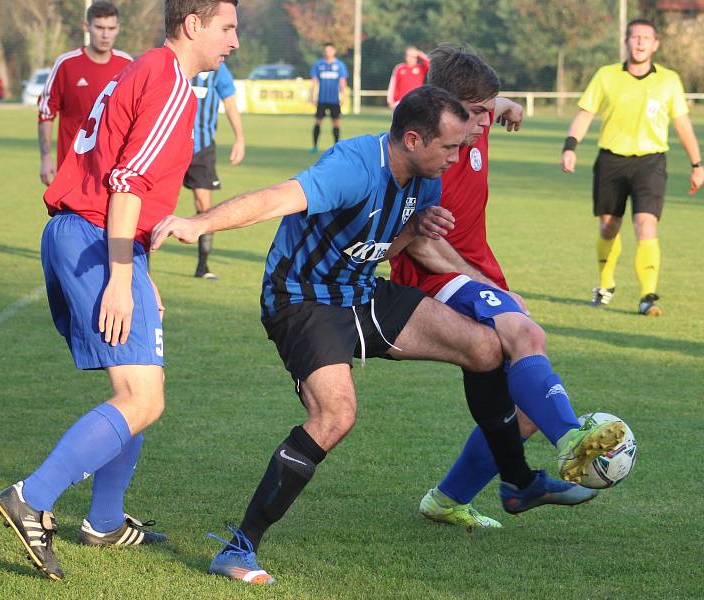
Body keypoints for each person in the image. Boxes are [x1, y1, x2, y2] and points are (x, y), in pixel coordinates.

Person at [151, 85, 615, 585]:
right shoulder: (354, 164)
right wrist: (199, 223)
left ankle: (519, 482)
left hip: (360, 290)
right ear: (413, 140)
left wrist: (482, 282)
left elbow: (388, 248)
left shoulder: (427, 178)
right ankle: (240, 546)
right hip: (303, 299)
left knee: (484, 346)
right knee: (335, 416)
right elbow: (278, 198)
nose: (457, 158)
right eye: (449, 148)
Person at [0, 0, 240, 581]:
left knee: (142, 386)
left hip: (88, 234)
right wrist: (124, 279)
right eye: (227, 28)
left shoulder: (148, 67)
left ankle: (103, 521)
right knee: (142, 398)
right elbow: (127, 183)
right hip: (97, 237)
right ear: (193, 24)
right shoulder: (172, 82)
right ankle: (33, 497)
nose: (233, 41)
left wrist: (140, 271)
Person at [390, 44, 625, 530]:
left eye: (485, 112)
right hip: (436, 272)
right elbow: (420, 246)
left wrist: (507, 105)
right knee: (526, 336)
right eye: (475, 114)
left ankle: (450, 498)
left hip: (475, 269)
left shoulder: (478, 118)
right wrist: (490, 287)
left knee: (524, 406)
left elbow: (494, 105)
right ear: (444, 110)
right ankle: (574, 442)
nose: (483, 123)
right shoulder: (433, 156)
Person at [562, 18, 704, 316]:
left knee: (646, 224)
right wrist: (570, 147)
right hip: (611, 160)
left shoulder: (669, 80)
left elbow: (682, 124)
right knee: (608, 226)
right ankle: (605, 285)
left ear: (655, 44)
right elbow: (585, 114)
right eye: (634, 37)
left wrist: (697, 163)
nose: (640, 42)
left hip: (650, 162)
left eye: (646, 38)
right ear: (626, 42)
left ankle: (648, 296)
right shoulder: (605, 76)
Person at [37, 1, 132, 186]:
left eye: (111, 28)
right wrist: (46, 158)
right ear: (86, 27)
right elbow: (46, 113)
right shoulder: (66, 64)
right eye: (99, 27)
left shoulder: (127, 65)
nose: (106, 35)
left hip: (112, 170)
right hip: (72, 168)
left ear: (118, 29)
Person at [184, 62, 245, 279]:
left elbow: (229, 103)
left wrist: (239, 138)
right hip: (171, 145)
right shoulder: (179, 61)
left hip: (202, 148)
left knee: (204, 205)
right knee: (157, 205)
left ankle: (202, 267)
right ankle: (143, 268)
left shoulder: (218, 69)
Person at [310, 42, 348, 153]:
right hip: (321, 100)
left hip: (334, 100)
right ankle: (314, 146)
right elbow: (315, 82)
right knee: (318, 121)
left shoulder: (339, 65)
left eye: (330, 50)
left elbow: (342, 82)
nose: (328, 52)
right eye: (326, 50)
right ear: (324, 51)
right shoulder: (319, 65)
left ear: (334, 51)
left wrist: (344, 96)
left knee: (336, 122)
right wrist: (312, 96)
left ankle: (336, 147)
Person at [386, 46, 430, 110]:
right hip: (401, 103)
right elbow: (393, 85)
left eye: (413, 57)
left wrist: (419, 53)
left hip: (417, 102)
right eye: (408, 56)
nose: (410, 58)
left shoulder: (421, 68)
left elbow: (431, 63)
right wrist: (391, 102)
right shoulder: (399, 68)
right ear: (405, 57)